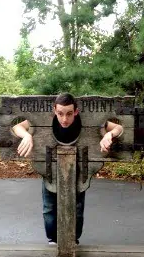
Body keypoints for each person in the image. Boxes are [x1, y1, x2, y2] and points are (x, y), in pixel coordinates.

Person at [12, 93, 123, 245]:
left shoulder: (87, 121)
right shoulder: (46, 120)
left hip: (79, 165)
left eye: (69, 114)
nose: (65, 119)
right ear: (54, 111)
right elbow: (16, 126)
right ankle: (53, 239)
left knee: (77, 208)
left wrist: (109, 134)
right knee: (49, 207)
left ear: (76, 111)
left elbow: (120, 127)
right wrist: (26, 136)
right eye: (60, 114)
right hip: (50, 165)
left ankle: (73, 238)